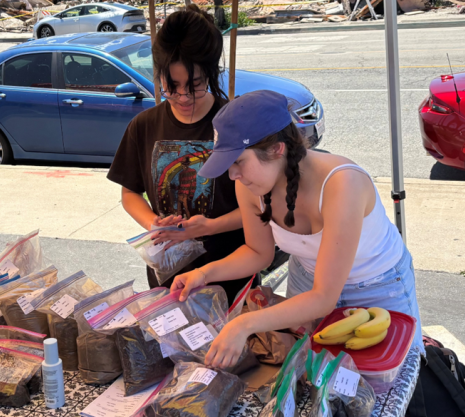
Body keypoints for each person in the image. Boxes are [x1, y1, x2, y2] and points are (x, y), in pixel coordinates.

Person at [171, 90, 424, 369]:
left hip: (376, 285)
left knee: (386, 378)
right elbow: (258, 253)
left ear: (277, 149)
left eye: (238, 162)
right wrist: (203, 273)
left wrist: (243, 324)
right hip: (307, 279)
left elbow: (324, 297)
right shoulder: (248, 185)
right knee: (315, 375)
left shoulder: (343, 184)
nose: (232, 175)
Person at [107, 5, 253, 304]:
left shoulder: (234, 123)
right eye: (171, 87)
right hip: (168, 282)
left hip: (231, 277)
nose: (183, 97)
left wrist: (210, 226)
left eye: (195, 86)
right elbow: (129, 194)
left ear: (211, 74)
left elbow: (260, 208)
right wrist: (153, 223)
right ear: (158, 75)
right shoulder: (144, 126)